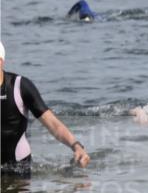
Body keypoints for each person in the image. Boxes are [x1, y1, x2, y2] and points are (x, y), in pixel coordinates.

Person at [1, 41, 90, 176]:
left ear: (0, 61)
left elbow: (53, 124)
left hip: (19, 168)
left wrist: (76, 146)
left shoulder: (19, 86)